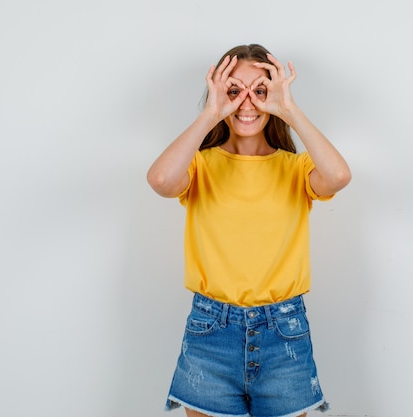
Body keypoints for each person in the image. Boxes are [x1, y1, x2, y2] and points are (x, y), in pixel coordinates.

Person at [147, 44, 351, 417]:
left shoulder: (296, 168)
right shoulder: (200, 166)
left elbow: (338, 176)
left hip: (284, 334)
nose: (246, 102)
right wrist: (211, 113)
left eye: (260, 91)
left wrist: (289, 109)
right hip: (211, 332)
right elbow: (160, 180)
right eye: (233, 90)